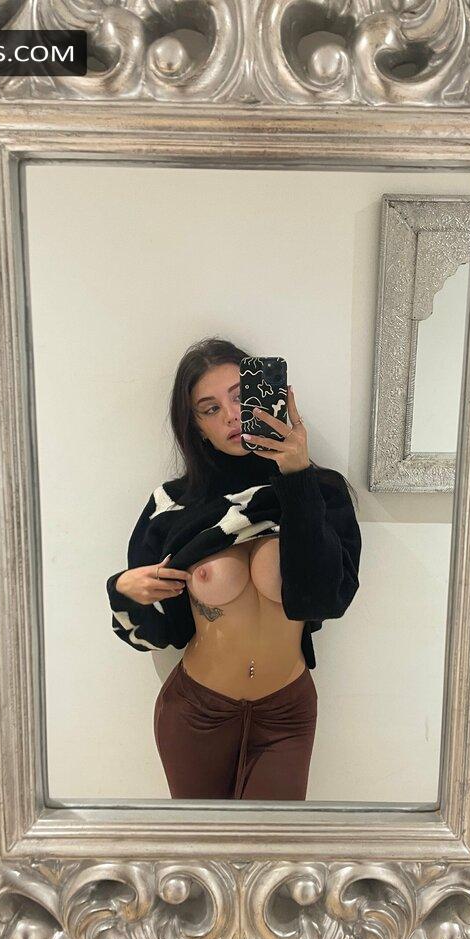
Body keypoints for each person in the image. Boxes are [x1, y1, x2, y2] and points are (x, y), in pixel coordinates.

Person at [106, 337, 361, 801]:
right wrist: (123, 589)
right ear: (197, 427)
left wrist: (297, 477)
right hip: (195, 712)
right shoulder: (172, 506)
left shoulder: (320, 492)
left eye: (241, 396)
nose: (230, 416)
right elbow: (159, 636)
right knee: (201, 845)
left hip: (285, 714)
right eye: (209, 408)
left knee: (272, 845)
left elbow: (326, 599)